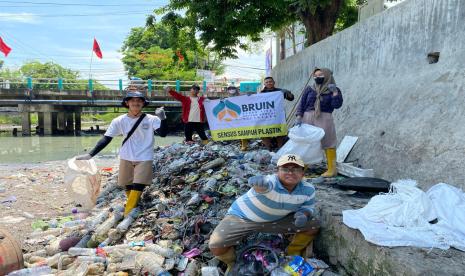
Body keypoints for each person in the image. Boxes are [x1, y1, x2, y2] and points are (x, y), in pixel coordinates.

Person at [209, 154, 319, 273]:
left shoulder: (308, 189)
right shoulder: (270, 181)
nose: (291, 172)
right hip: (243, 217)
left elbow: (308, 207)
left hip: (277, 219)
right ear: (277, 171)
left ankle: (292, 252)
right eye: (285, 169)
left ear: (303, 173)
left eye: (296, 169)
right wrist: (259, 186)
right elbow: (265, 186)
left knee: (313, 225)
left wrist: (304, 214)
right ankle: (234, 263)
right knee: (216, 246)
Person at [75, 91, 166, 216]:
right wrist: (90, 154)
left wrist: (163, 118)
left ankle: (127, 214)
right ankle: (134, 205)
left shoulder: (151, 119)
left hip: (144, 157)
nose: (136, 103)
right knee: (127, 185)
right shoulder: (119, 120)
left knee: (138, 185)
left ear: (143, 103)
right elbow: (107, 138)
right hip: (126, 156)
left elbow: (163, 133)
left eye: (139, 100)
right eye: (132, 100)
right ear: (127, 103)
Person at [295, 68, 343, 177]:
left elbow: (337, 105)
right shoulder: (309, 89)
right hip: (307, 117)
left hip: (324, 117)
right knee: (307, 142)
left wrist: (335, 92)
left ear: (327, 76)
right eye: (315, 76)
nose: (317, 77)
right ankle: (304, 166)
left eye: (320, 75)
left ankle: (332, 169)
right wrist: (299, 116)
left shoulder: (334, 89)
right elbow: (302, 103)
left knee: (328, 141)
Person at [259, 76, 294, 151]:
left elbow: (291, 98)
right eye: (267, 82)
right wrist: (249, 96)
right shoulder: (261, 93)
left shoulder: (280, 91)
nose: (269, 83)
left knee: (280, 131)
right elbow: (254, 101)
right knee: (264, 132)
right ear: (264, 84)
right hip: (265, 116)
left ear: (274, 82)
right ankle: (269, 148)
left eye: (270, 81)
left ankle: (280, 148)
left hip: (278, 115)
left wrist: (288, 92)